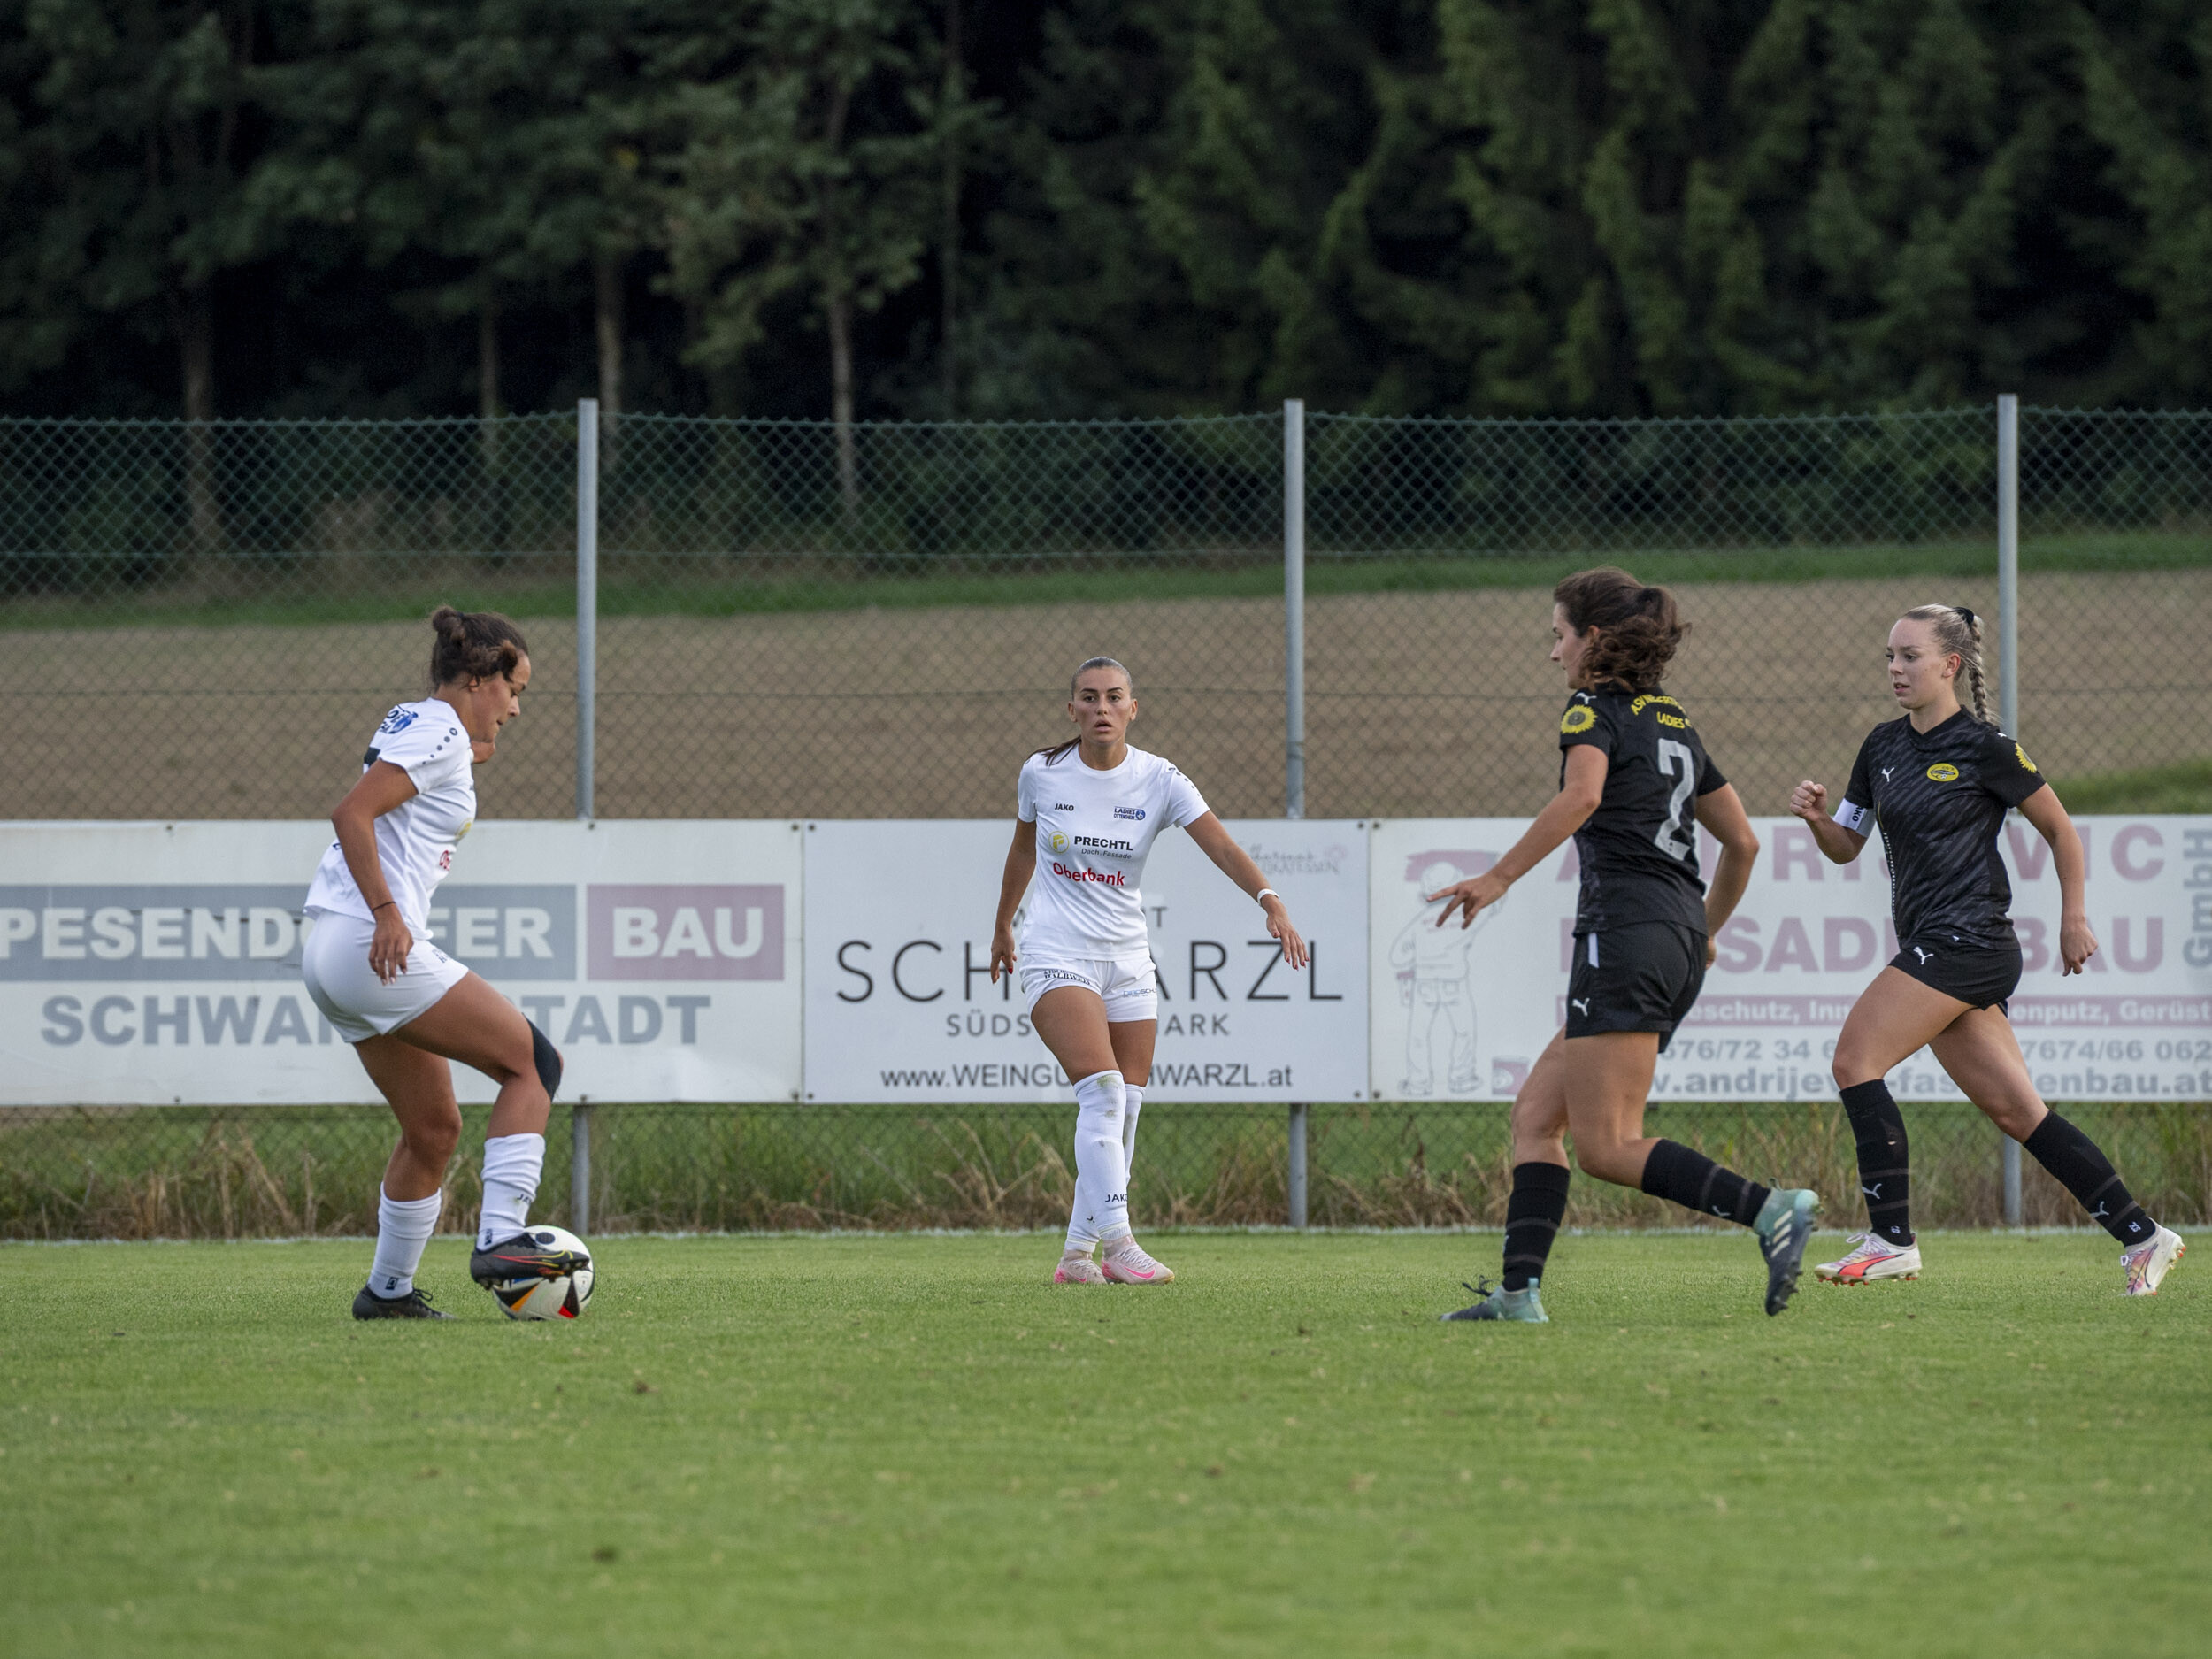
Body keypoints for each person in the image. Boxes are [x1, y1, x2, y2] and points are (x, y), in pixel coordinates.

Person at [1436, 569, 1818, 1324]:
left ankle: (1770, 1208)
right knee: (1537, 1117)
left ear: (1594, 638)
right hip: (1673, 935)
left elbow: (1582, 796)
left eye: (1559, 636)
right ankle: (1518, 1293)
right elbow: (1742, 842)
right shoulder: (1673, 720)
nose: (1554, 653)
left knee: (1608, 1146)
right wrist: (1703, 932)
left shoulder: (1592, 709)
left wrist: (1499, 876)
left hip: (1625, 933)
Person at [1789, 604, 2185, 1294]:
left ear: (1950, 664)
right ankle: (2144, 1235)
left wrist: (2073, 916)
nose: (1895, 668)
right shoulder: (1880, 747)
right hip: (1937, 946)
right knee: (2019, 1113)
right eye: (1889, 656)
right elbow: (1847, 846)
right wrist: (1821, 820)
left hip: (1970, 942)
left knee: (1854, 1060)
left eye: (1910, 656)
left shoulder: (1986, 748)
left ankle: (1891, 1239)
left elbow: (2061, 832)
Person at [988, 657, 1306, 1285]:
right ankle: (1121, 1244)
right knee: (1102, 1092)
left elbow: (1221, 845)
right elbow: (1023, 847)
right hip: (1057, 953)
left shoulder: (1159, 778)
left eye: (1114, 697)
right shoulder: (1041, 772)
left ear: (1133, 709)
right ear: (1072, 710)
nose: (1102, 708)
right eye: (1089, 698)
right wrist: (1003, 924)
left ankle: (1076, 1255)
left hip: (1129, 959)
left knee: (1127, 1105)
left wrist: (1270, 900)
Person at [303, 606, 579, 1319]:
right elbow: (351, 813)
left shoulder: (424, 723)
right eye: (514, 689)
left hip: (331, 950)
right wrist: (388, 912)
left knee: (433, 1128)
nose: (516, 708)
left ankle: (387, 1293)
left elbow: (426, 766)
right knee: (534, 1065)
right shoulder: (439, 733)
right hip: (372, 942)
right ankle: (503, 1238)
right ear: (479, 678)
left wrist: (473, 750)